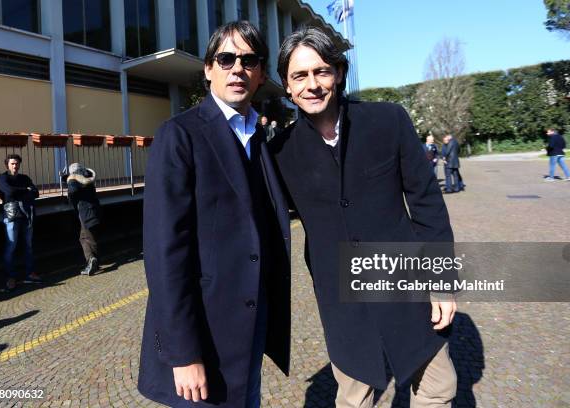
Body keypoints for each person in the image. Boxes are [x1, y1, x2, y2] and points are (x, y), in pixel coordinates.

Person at [270, 28, 457, 407]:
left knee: (437, 387)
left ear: (339, 73)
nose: (312, 85)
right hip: (340, 296)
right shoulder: (278, 153)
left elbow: (427, 204)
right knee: (355, 398)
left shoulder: (388, 121)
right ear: (287, 87)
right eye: (299, 76)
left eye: (321, 71)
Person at [138, 21, 291, 408]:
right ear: (208, 69)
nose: (237, 69)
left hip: (250, 331)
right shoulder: (180, 135)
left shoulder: (260, 138)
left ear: (260, 74)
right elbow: (164, 253)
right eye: (226, 59)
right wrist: (183, 353)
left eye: (249, 60)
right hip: (203, 340)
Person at [0, 153, 42, 291]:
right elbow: (8, 192)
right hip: (11, 215)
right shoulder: (2, 177)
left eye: (17, 163)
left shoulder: (25, 177)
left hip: (26, 215)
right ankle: (11, 277)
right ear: (7, 165)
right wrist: (25, 190)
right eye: (12, 163)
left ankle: (30, 273)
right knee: (11, 246)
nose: (15, 166)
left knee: (28, 246)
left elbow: (36, 192)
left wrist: (24, 192)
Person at [63, 163, 101, 276]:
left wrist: (69, 194)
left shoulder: (74, 178)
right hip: (94, 209)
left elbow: (73, 191)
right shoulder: (87, 177)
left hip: (85, 212)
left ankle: (91, 260)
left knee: (86, 237)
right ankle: (94, 261)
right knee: (88, 236)